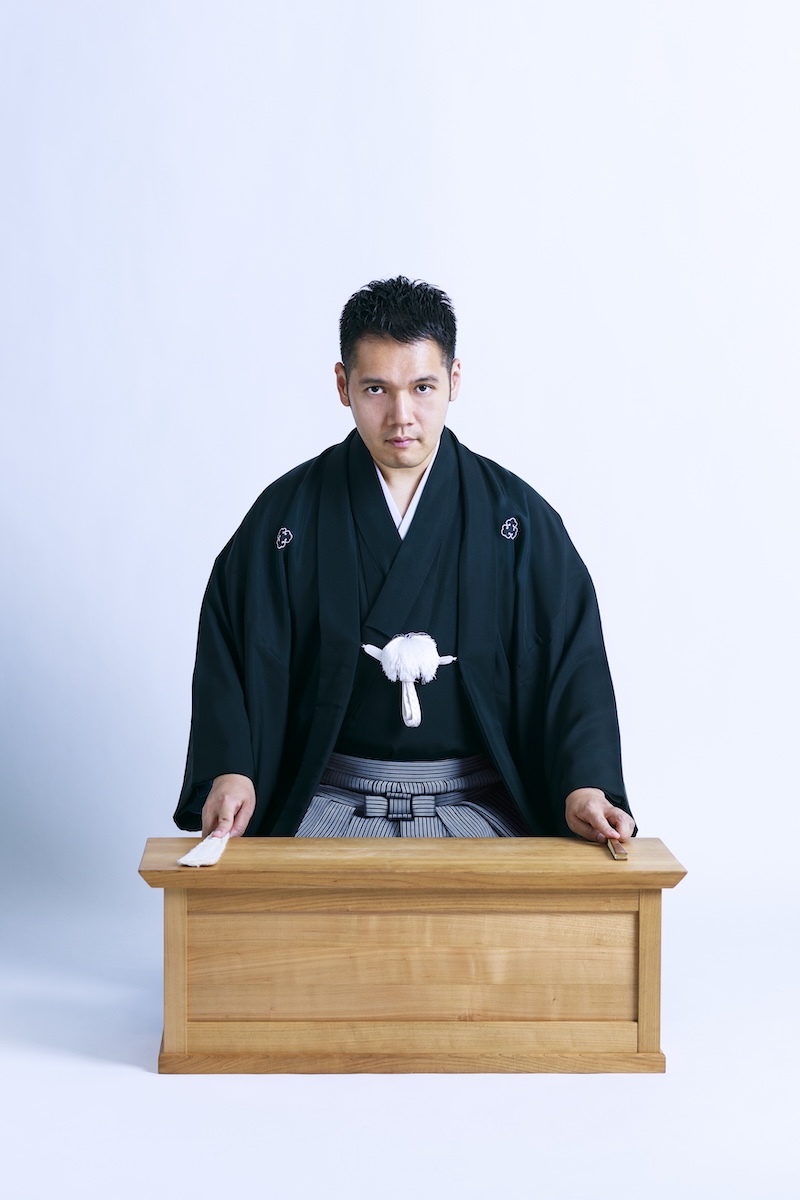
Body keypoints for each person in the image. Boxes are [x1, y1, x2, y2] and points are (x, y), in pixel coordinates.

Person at [175, 277, 635, 845]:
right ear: (342, 384)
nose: (401, 416)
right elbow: (233, 650)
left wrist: (585, 786)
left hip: (479, 805)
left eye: (422, 387)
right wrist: (232, 771)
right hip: (326, 803)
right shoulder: (287, 518)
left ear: (454, 380)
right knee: (296, 900)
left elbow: (572, 663)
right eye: (376, 389)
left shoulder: (515, 520)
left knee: (513, 903)